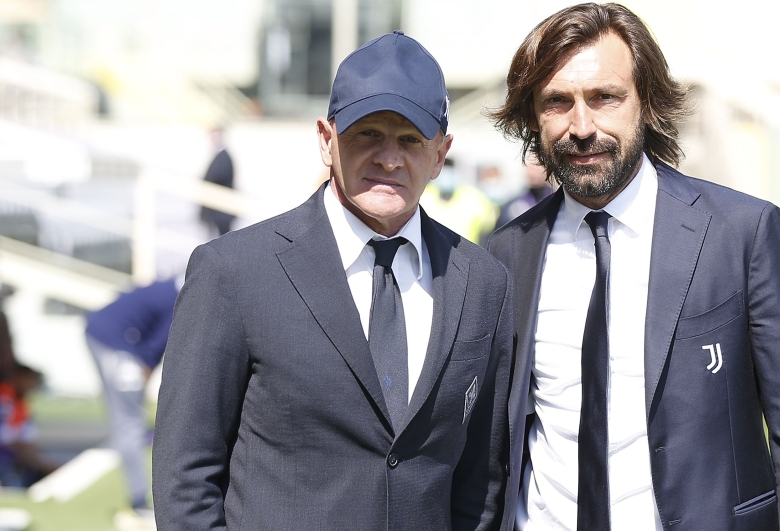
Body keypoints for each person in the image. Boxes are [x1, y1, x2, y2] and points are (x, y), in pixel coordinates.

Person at [486, 4, 780, 530]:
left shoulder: (744, 237)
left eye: (605, 98)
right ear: (532, 117)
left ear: (647, 103)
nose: (581, 126)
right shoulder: (506, 254)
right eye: (557, 102)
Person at [153, 31, 513, 531]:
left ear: (440, 153)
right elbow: (184, 479)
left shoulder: (484, 284)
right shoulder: (233, 272)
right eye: (368, 134)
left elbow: (482, 481)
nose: (389, 158)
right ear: (327, 140)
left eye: (410, 139)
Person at [85, 276, 182, 515]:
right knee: (129, 422)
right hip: (116, 343)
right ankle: (139, 500)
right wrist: (143, 370)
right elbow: (158, 345)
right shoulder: (182, 296)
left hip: (105, 335)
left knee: (127, 420)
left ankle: (139, 499)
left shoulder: (172, 285)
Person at [0, 363, 57, 488]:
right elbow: (5, 436)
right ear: (17, 378)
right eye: (28, 380)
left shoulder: (22, 404)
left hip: (16, 457)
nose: (31, 385)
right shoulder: (4, 397)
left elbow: (27, 435)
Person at [198, 127, 236, 236]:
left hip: (221, 209)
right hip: (215, 208)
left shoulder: (224, 157)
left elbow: (218, 177)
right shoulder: (219, 155)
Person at [495, 158, 553, 229]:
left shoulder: (558, 200)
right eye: (530, 167)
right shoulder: (514, 204)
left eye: (538, 165)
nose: (534, 171)